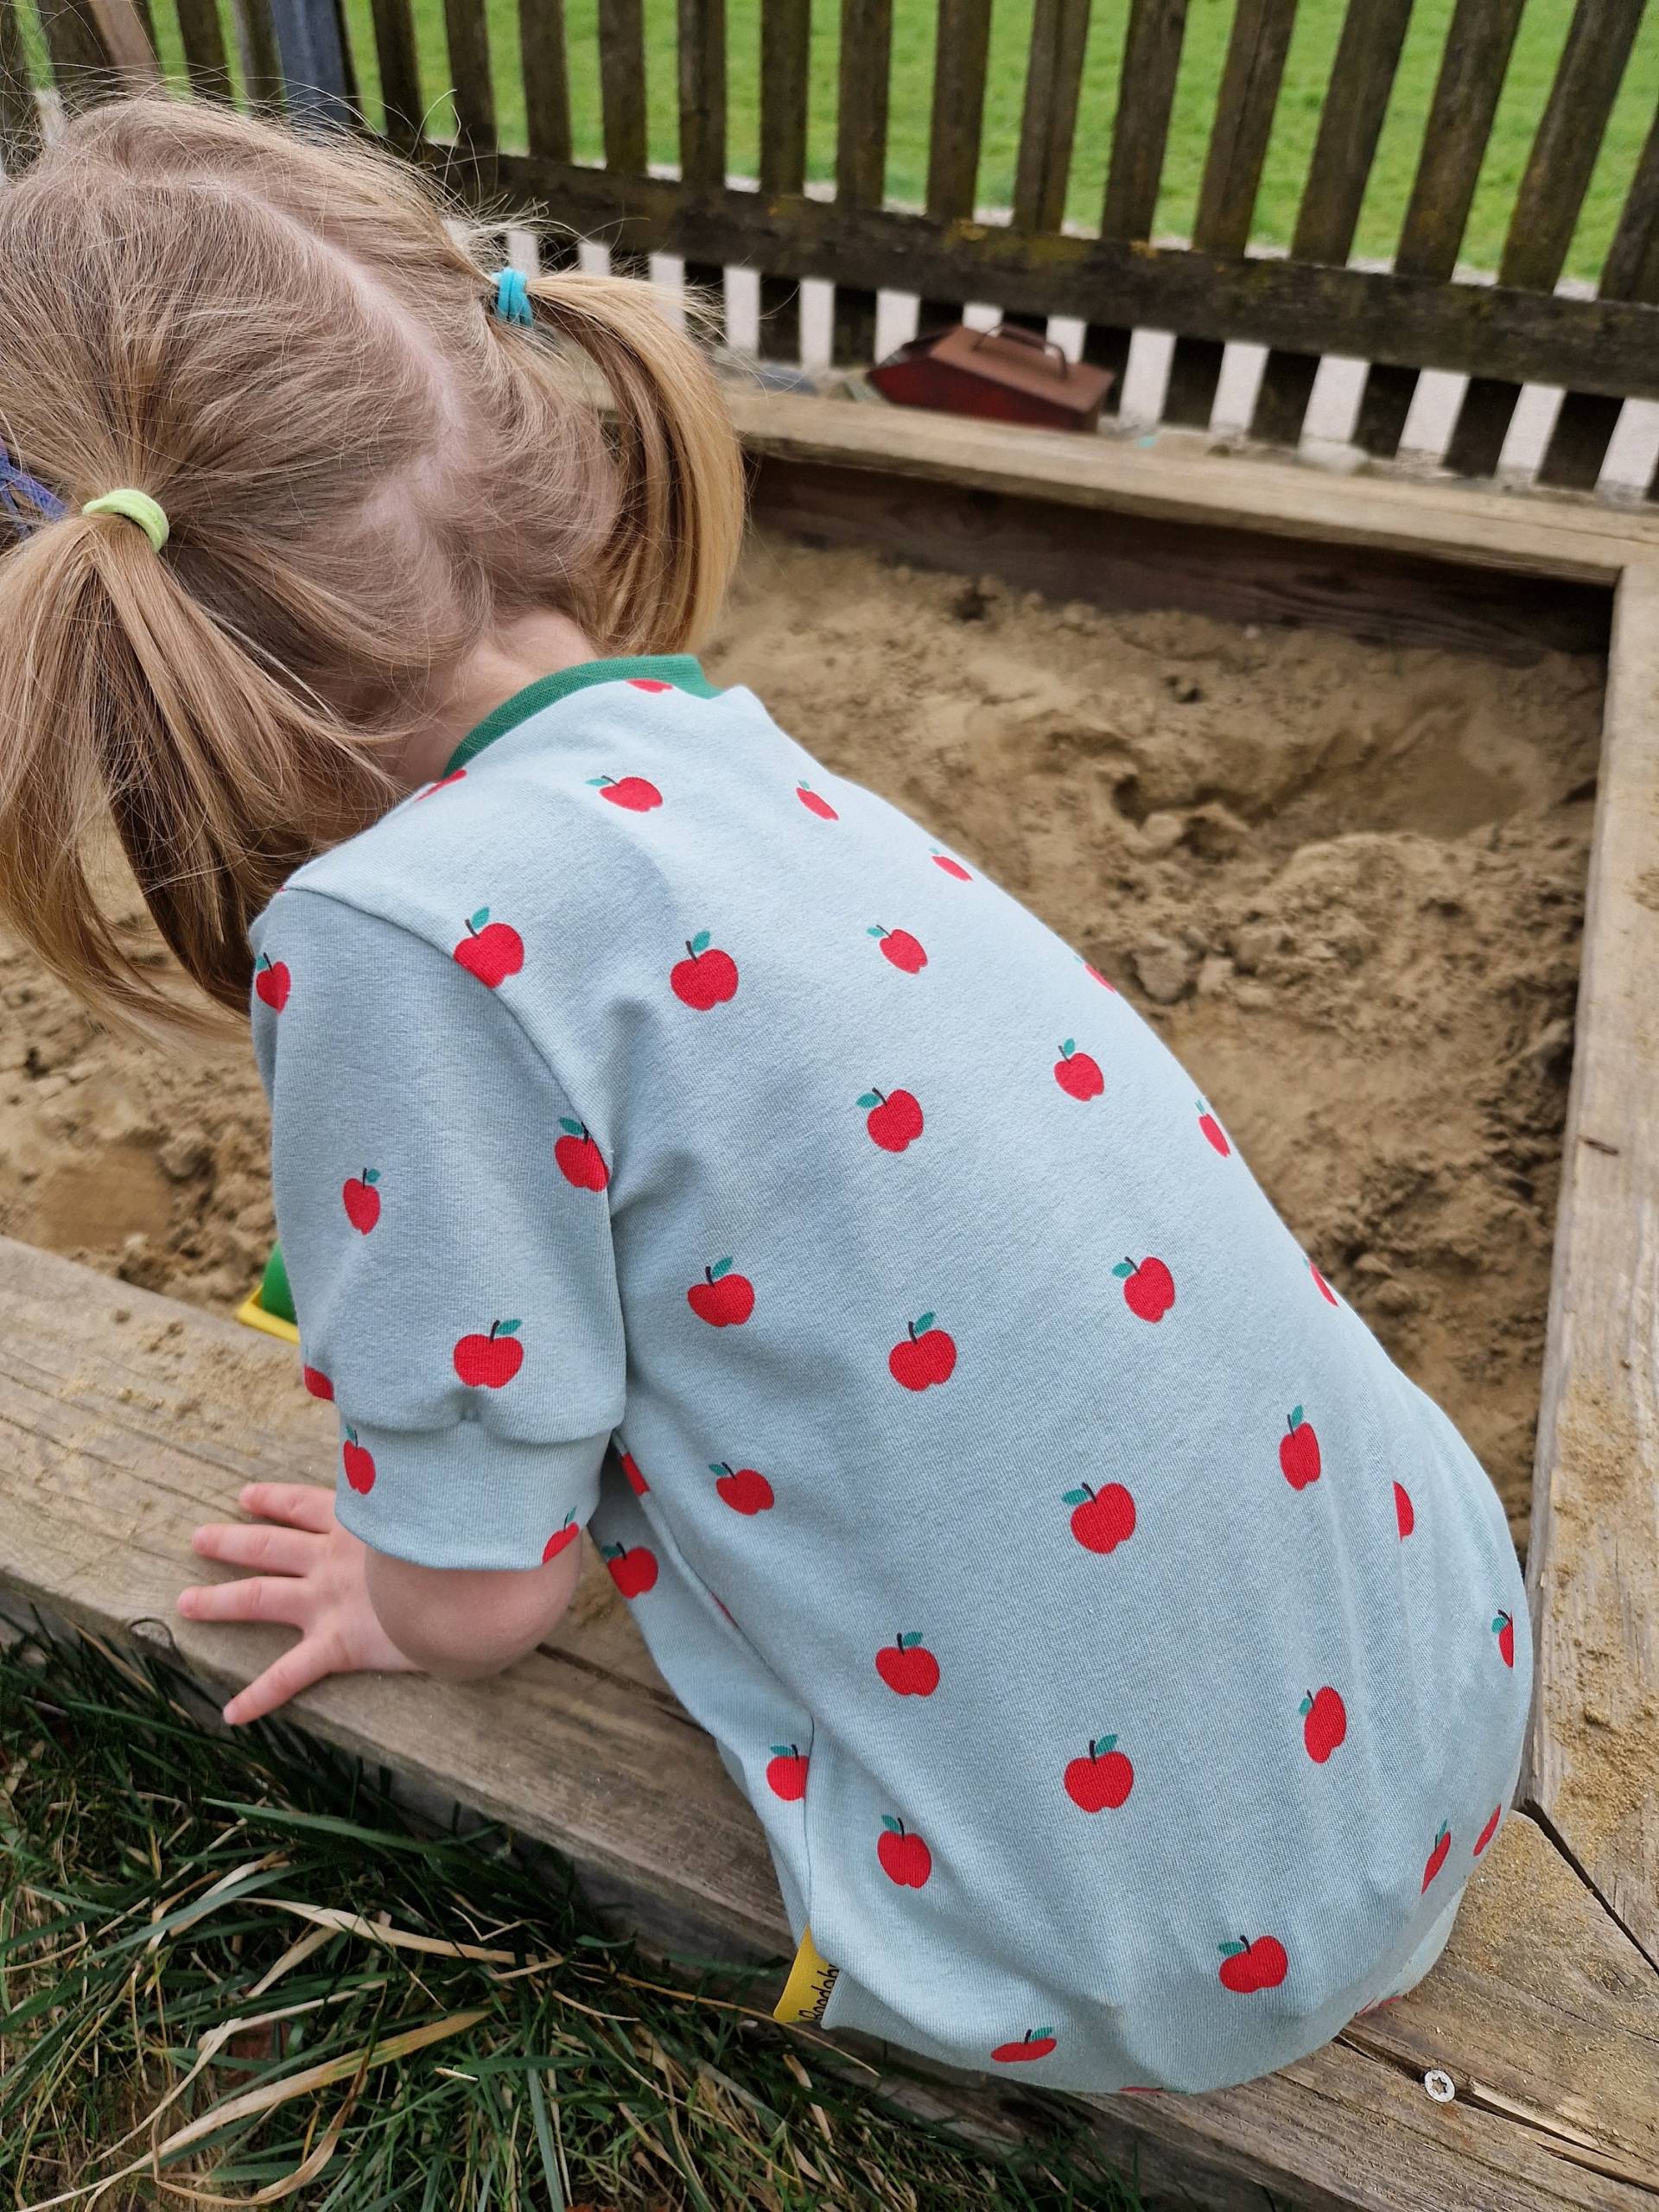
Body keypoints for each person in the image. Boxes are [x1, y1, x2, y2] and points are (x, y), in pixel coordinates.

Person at [0, 94, 1529, 2096]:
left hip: (1146, 1931)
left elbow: (487, 1593)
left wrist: (399, 1576)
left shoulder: (393, 945)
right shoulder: (698, 739)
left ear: (106, 628)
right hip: (1442, 1675)